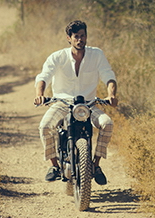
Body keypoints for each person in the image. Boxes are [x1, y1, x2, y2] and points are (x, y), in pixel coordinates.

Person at [34, 20, 118, 185]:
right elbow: (44, 77)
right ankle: (54, 166)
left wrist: (112, 95)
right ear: (69, 38)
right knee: (45, 126)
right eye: (76, 37)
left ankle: (95, 165)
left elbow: (108, 75)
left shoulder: (97, 55)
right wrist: (40, 94)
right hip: (62, 103)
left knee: (107, 124)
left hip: (88, 105)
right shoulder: (58, 57)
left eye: (83, 36)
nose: (80, 40)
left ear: (87, 37)